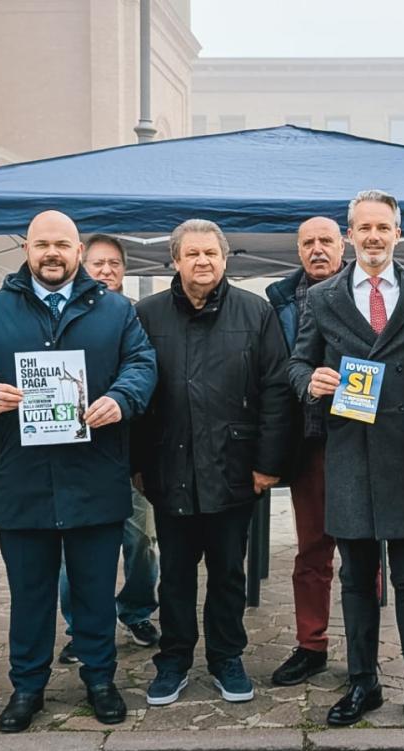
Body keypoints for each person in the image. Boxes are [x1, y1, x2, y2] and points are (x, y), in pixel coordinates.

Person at [0, 210, 157, 733]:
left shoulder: (114, 310)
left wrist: (121, 398)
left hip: (95, 474)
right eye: (42, 243)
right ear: (27, 248)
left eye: (62, 244)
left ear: (78, 250)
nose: (52, 253)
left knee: (93, 588)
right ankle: (28, 687)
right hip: (24, 477)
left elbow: (142, 364)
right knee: (31, 593)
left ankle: (100, 679)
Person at [289, 191, 404, 729]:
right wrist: (310, 381)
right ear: (349, 235)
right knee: (355, 577)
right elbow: (296, 363)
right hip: (350, 453)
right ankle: (363, 682)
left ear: (398, 233)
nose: (374, 236)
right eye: (364, 228)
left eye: (384, 227)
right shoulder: (324, 296)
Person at [133, 219, 292, 707]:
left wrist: (268, 464)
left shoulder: (255, 312)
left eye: (212, 254)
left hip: (234, 467)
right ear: (175, 261)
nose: (203, 262)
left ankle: (227, 657)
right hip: (170, 467)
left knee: (228, 573)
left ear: (225, 260)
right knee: (176, 574)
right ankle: (174, 659)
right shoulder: (146, 314)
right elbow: (137, 391)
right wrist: (137, 464)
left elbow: (276, 391)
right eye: (192, 254)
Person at [56, 232, 160, 665]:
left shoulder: (138, 318)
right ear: (82, 265)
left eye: (115, 264)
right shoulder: (63, 319)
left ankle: (135, 611)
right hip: (75, 456)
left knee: (140, 542)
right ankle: (80, 628)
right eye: (98, 263)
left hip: (131, 455)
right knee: (73, 549)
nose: (106, 270)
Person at [265, 216, 344, 687]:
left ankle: (365, 644)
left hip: (365, 440)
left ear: (343, 245)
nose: (317, 249)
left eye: (326, 241)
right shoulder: (279, 301)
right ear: (298, 250)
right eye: (308, 243)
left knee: (364, 552)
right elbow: (277, 370)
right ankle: (311, 644)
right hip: (309, 440)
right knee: (313, 548)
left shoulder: (373, 289)